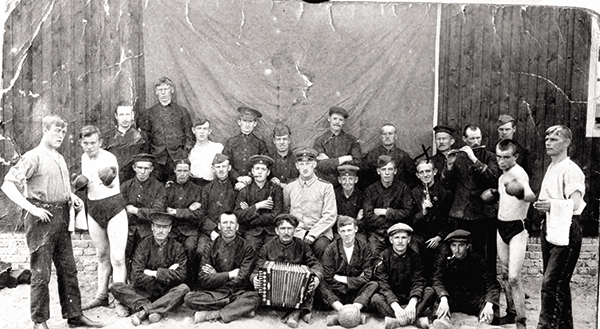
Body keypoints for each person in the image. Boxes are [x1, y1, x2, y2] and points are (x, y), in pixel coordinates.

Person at [1, 115, 103, 328]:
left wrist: (71, 197)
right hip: (41, 220)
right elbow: (8, 185)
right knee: (41, 272)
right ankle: (39, 321)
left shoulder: (59, 157)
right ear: (44, 130)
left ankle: (74, 316)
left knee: (68, 269)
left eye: (63, 132)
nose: (60, 135)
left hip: (61, 218)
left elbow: (62, 188)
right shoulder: (32, 157)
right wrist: (32, 208)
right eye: (56, 130)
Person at [532, 125, 586, 329]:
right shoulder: (552, 167)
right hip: (550, 227)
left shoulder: (571, 170)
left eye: (554, 139)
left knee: (551, 284)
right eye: (547, 138)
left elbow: (576, 203)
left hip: (566, 230)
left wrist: (552, 205)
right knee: (558, 284)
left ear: (567, 143)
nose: (548, 142)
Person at [78, 125, 129, 316]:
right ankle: (101, 295)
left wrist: (105, 178)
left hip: (113, 207)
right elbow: (88, 186)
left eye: (93, 143)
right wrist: (82, 183)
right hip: (94, 208)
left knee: (117, 257)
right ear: (81, 143)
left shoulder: (109, 158)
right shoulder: (84, 158)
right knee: (101, 255)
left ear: (100, 142)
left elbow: (110, 184)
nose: (89, 147)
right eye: (85, 143)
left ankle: (120, 299)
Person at [110, 212, 190, 326]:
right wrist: (168, 273)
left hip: (166, 292)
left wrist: (155, 273)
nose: (160, 231)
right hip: (145, 292)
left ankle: (144, 311)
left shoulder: (177, 247)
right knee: (116, 287)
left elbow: (181, 275)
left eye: (164, 227)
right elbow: (136, 276)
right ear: (152, 227)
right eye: (157, 226)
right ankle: (156, 309)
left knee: (184, 289)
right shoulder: (144, 245)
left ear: (169, 229)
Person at [441, 125, 499, 275]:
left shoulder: (490, 156)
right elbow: (446, 185)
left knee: (484, 253)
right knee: (459, 252)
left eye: (478, 138)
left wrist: (474, 159)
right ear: (464, 139)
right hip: (460, 213)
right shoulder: (457, 157)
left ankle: (488, 285)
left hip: (484, 214)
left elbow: (493, 178)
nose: (475, 141)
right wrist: (449, 165)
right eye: (471, 138)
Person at [184, 212, 261, 323]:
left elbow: (242, 279)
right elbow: (204, 279)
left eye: (231, 223)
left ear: (237, 226)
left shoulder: (246, 248)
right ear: (219, 226)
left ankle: (213, 313)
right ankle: (237, 309)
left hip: (236, 292)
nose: (228, 226)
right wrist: (229, 275)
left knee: (256, 297)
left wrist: (216, 275)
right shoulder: (209, 247)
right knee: (189, 298)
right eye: (225, 223)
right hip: (215, 293)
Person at [251, 214, 323, 328]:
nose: (286, 232)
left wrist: (317, 277)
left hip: (296, 292)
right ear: (276, 230)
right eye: (283, 229)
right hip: (273, 291)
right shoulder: (267, 247)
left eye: (289, 228)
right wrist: (255, 278)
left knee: (311, 285)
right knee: (251, 296)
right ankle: (298, 312)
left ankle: (295, 313)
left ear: (294, 230)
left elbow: (315, 264)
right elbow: (257, 268)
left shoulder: (302, 246)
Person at [494, 139, 536, 328]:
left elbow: (530, 195)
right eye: (498, 157)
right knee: (504, 273)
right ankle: (511, 313)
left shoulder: (519, 173)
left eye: (506, 157)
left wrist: (519, 193)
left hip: (517, 228)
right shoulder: (502, 176)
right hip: (501, 226)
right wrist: (496, 194)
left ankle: (521, 321)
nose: (501, 161)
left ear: (515, 157)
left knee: (513, 277)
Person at [431, 230, 501, 329]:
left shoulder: (477, 260)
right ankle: (444, 320)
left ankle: (484, 324)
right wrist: (443, 298)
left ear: (467, 246)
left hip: (472, 299)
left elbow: (491, 284)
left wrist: (489, 304)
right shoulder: (444, 260)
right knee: (438, 300)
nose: (457, 250)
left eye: (461, 245)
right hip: (452, 298)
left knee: (490, 304)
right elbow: (436, 280)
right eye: (453, 245)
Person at [370, 223, 435, 329]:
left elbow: (418, 281)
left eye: (403, 238)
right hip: (392, 299)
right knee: (375, 298)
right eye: (396, 238)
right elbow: (383, 283)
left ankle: (397, 321)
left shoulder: (415, 257)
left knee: (430, 291)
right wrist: (395, 306)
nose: (400, 241)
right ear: (391, 240)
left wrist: (412, 303)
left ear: (409, 240)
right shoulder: (384, 257)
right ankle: (415, 320)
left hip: (410, 297)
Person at [319, 216, 377, 326]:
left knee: (373, 284)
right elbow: (328, 275)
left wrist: (343, 279)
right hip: (337, 291)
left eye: (349, 230)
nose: (347, 234)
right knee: (321, 283)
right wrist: (354, 279)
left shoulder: (364, 247)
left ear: (356, 230)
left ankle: (352, 311)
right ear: (339, 232)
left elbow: (367, 275)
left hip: (356, 291)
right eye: (343, 231)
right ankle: (344, 311)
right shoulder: (331, 248)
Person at [137, 76, 195, 182]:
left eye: (166, 89)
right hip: (156, 159)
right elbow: (145, 138)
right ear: (156, 92)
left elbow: (189, 135)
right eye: (160, 90)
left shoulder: (181, 111)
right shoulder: (149, 113)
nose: (163, 92)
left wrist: (183, 154)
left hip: (177, 158)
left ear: (172, 90)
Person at [284, 147, 337, 259]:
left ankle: (319, 276)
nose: (305, 167)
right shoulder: (289, 188)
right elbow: (286, 212)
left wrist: (313, 234)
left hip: (320, 233)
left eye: (308, 163)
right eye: (301, 164)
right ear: (297, 166)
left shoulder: (325, 187)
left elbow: (330, 215)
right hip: (297, 232)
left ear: (314, 164)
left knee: (321, 247)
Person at [121, 153, 167, 273]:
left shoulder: (159, 187)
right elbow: (120, 210)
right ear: (134, 168)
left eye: (146, 168)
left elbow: (157, 212)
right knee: (122, 257)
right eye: (140, 168)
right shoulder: (126, 186)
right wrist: (144, 213)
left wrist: (135, 211)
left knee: (146, 258)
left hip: (148, 230)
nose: (142, 172)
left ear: (151, 169)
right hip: (128, 228)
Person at [362, 155, 414, 255]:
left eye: (390, 169)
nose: (386, 173)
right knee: (373, 253)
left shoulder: (403, 189)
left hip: (399, 232)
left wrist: (386, 212)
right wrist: (394, 218)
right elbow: (368, 216)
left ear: (395, 171)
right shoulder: (370, 190)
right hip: (378, 234)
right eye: (383, 169)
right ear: (378, 171)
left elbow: (408, 212)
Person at [410, 159, 451, 282]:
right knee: (413, 251)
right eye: (421, 172)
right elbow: (411, 220)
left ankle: (439, 286)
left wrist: (439, 237)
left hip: (439, 235)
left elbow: (450, 219)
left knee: (444, 253)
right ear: (417, 175)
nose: (425, 175)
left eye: (428, 171)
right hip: (420, 236)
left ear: (434, 172)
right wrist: (423, 212)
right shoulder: (414, 192)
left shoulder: (445, 191)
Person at [165, 158, 203, 289]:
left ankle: (191, 284)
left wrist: (176, 211)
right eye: (179, 170)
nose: (182, 174)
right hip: (172, 229)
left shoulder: (197, 189)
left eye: (185, 171)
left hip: (190, 230)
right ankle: (171, 284)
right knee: (169, 249)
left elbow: (198, 215)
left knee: (191, 248)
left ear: (189, 172)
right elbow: (165, 210)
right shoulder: (168, 188)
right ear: (174, 171)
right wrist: (187, 210)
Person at [234, 154, 283, 255]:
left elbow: (276, 216)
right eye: (257, 168)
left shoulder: (275, 189)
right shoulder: (245, 191)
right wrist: (257, 206)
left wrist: (249, 211)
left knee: (274, 252)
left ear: (268, 172)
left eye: (263, 169)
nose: (260, 172)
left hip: (271, 232)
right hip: (252, 232)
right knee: (250, 250)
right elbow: (238, 216)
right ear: (252, 171)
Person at [197, 153, 237, 255]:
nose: (221, 170)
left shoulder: (236, 189)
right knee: (201, 250)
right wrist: (211, 231)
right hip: (209, 232)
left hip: (231, 231)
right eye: (218, 167)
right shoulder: (206, 189)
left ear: (229, 168)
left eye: (224, 166)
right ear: (213, 169)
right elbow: (201, 214)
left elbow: (239, 213)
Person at [313, 106, 362, 186]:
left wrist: (329, 161)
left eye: (340, 120)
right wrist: (344, 159)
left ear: (344, 122)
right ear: (329, 119)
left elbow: (358, 164)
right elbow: (319, 165)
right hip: (325, 184)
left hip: (346, 185)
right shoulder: (319, 141)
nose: (337, 122)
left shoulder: (352, 140)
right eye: (335, 118)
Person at [223, 106, 269, 190]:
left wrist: (247, 180)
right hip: (233, 185)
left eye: (250, 121)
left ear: (255, 124)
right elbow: (225, 163)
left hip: (254, 186)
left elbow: (263, 167)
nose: (247, 125)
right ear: (239, 122)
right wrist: (238, 178)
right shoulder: (231, 142)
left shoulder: (260, 144)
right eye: (244, 121)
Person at [361, 123, 418, 189]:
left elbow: (412, 178)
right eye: (384, 134)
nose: (387, 136)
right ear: (380, 137)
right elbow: (363, 178)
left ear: (395, 136)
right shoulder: (371, 156)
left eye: (390, 134)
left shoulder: (403, 156)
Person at [103, 103, 146, 182]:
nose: (125, 118)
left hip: (133, 180)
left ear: (132, 115)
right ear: (116, 116)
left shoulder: (140, 137)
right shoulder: (108, 137)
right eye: (121, 115)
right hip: (113, 179)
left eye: (127, 114)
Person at [334, 165, 366, 244]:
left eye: (351, 179)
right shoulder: (333, 194)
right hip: (338, 231)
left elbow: (365, 221)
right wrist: (356, 220)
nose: (347, 182)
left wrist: (341, 218)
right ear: (339, 180)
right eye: (344, 179)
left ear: (356, 180)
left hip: (357, 232)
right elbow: (330, 217)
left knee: (361, 244)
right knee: (336, 245)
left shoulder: (362, 196)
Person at [188, 118, 224, 186]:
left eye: (205, 129)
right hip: (194, 186)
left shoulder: (217, 148)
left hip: (212, 185)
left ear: (209, 131)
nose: (202, 132)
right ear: (193, 130)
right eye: (199, 128)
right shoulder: (189, 150)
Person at [270, 124, 299, 189]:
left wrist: (281, 184)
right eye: (278, 139)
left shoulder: (297, 159)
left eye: (284, 139)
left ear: (289, 140)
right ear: (274, 141)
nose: (282, 142)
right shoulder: (269, 160)